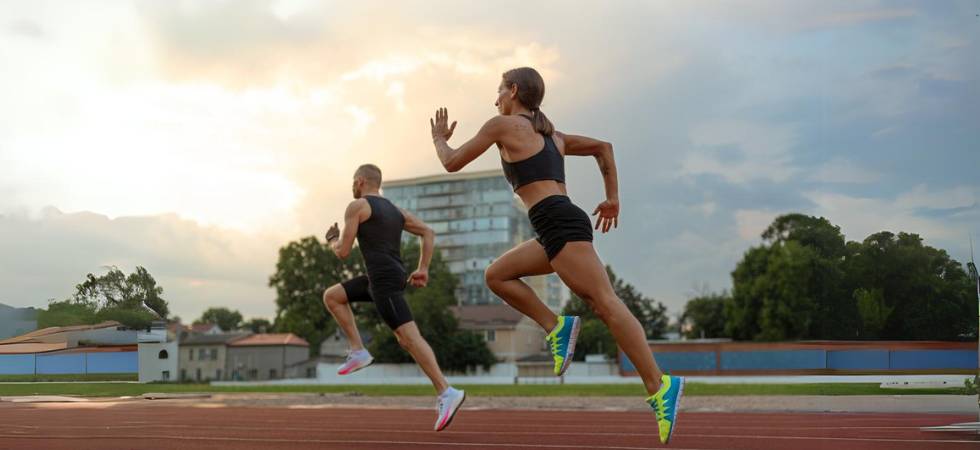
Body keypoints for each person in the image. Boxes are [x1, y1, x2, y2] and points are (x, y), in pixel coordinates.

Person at [429, 67, 683, 444]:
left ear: (513, 91)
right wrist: (612, 197)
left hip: (558, 222)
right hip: (553, 225)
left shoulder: (502, 125)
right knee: (497, 275)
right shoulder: (554, 137)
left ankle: (660, 386)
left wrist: (438, 139)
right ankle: (556, 326)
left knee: (606, 304)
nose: (495, 98)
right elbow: (604, 147)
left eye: (499, 91)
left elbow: (451, 162)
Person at [322, 163, 465, 431]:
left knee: (409, 338)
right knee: (332, 296)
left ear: (361, 181)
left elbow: (342, 251)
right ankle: (358, 350)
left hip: (384, 280)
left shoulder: (357, 207)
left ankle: (447, 392)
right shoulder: (395, 211)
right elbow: (428, 232)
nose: (352, 186)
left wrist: (332, 239)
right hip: (383, 277)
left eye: (353, 182)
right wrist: (423, 268)